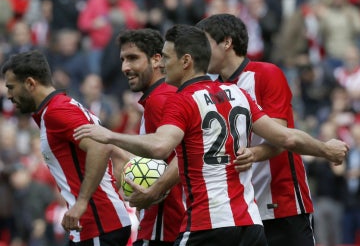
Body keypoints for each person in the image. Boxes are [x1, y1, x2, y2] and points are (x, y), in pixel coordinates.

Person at [73, 24, 349, 246]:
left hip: (208, 224)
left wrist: (109, 136)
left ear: (186, 62)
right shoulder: (238, 94)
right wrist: (326, 150)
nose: (162, 65)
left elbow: (160, 146)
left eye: (166, 58)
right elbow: (287, 138)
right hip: (250, 225)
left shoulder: (183, 100)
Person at [194, 13, 320, 246]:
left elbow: (282, 136)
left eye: (205, 43)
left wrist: (254, 154)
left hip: (282, 202)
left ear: (227, 42)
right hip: (239, 211)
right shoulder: (211, 90)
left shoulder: (265, 73)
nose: (200, 52)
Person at [1, 50, 132, 245]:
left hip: (99, 226)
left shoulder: (57, 111)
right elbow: (109, 147)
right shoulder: (60, 107)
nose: (9, 95)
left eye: (11, 87)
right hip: (94, 225)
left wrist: (82, 203)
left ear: (30, 83)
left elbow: (100, 147)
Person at [117, 28, 185, 245]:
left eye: (133, 58)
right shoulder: (161, 96)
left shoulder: (160, 99)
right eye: (123, 60)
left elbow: (181, 156)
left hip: (164, 226)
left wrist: (152, 191)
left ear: (157, 60)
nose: (125, 67)